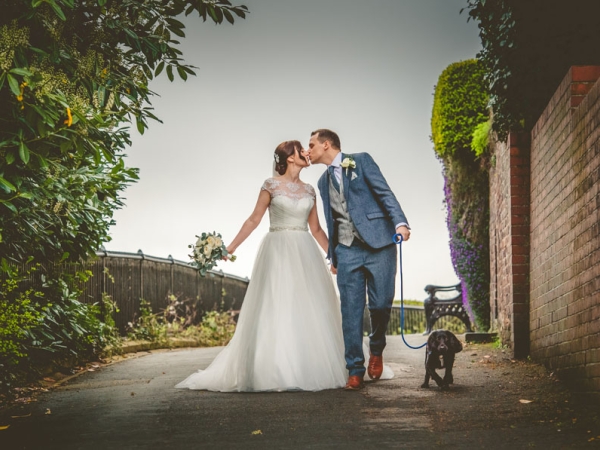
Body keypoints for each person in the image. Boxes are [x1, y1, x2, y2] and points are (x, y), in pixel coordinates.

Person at [176, 140, 391, 392]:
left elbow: (317, 229)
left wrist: (335, 257)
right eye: (302, 149)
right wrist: (230, 247)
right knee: (276, 304)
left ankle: (310, 366)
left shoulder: (311, 189)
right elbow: (253, 219)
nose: (306, 153)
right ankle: (274, 369)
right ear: (290, 157)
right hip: (276, 249)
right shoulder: (270, 186)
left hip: (305, 250)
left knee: (309, 305)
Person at [307, 129, 410, 390]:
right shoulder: (321, 182)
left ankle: (377, 348)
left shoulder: (361, 160)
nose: (308, 150)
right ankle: (355, 368)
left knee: (380, 305)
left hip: (380, 243)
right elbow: (331, 221)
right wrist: (334, 254)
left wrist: (400, 224)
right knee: (350, 311)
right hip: (347, 250)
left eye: (311, 144)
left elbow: (385, 193)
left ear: (326, 144)